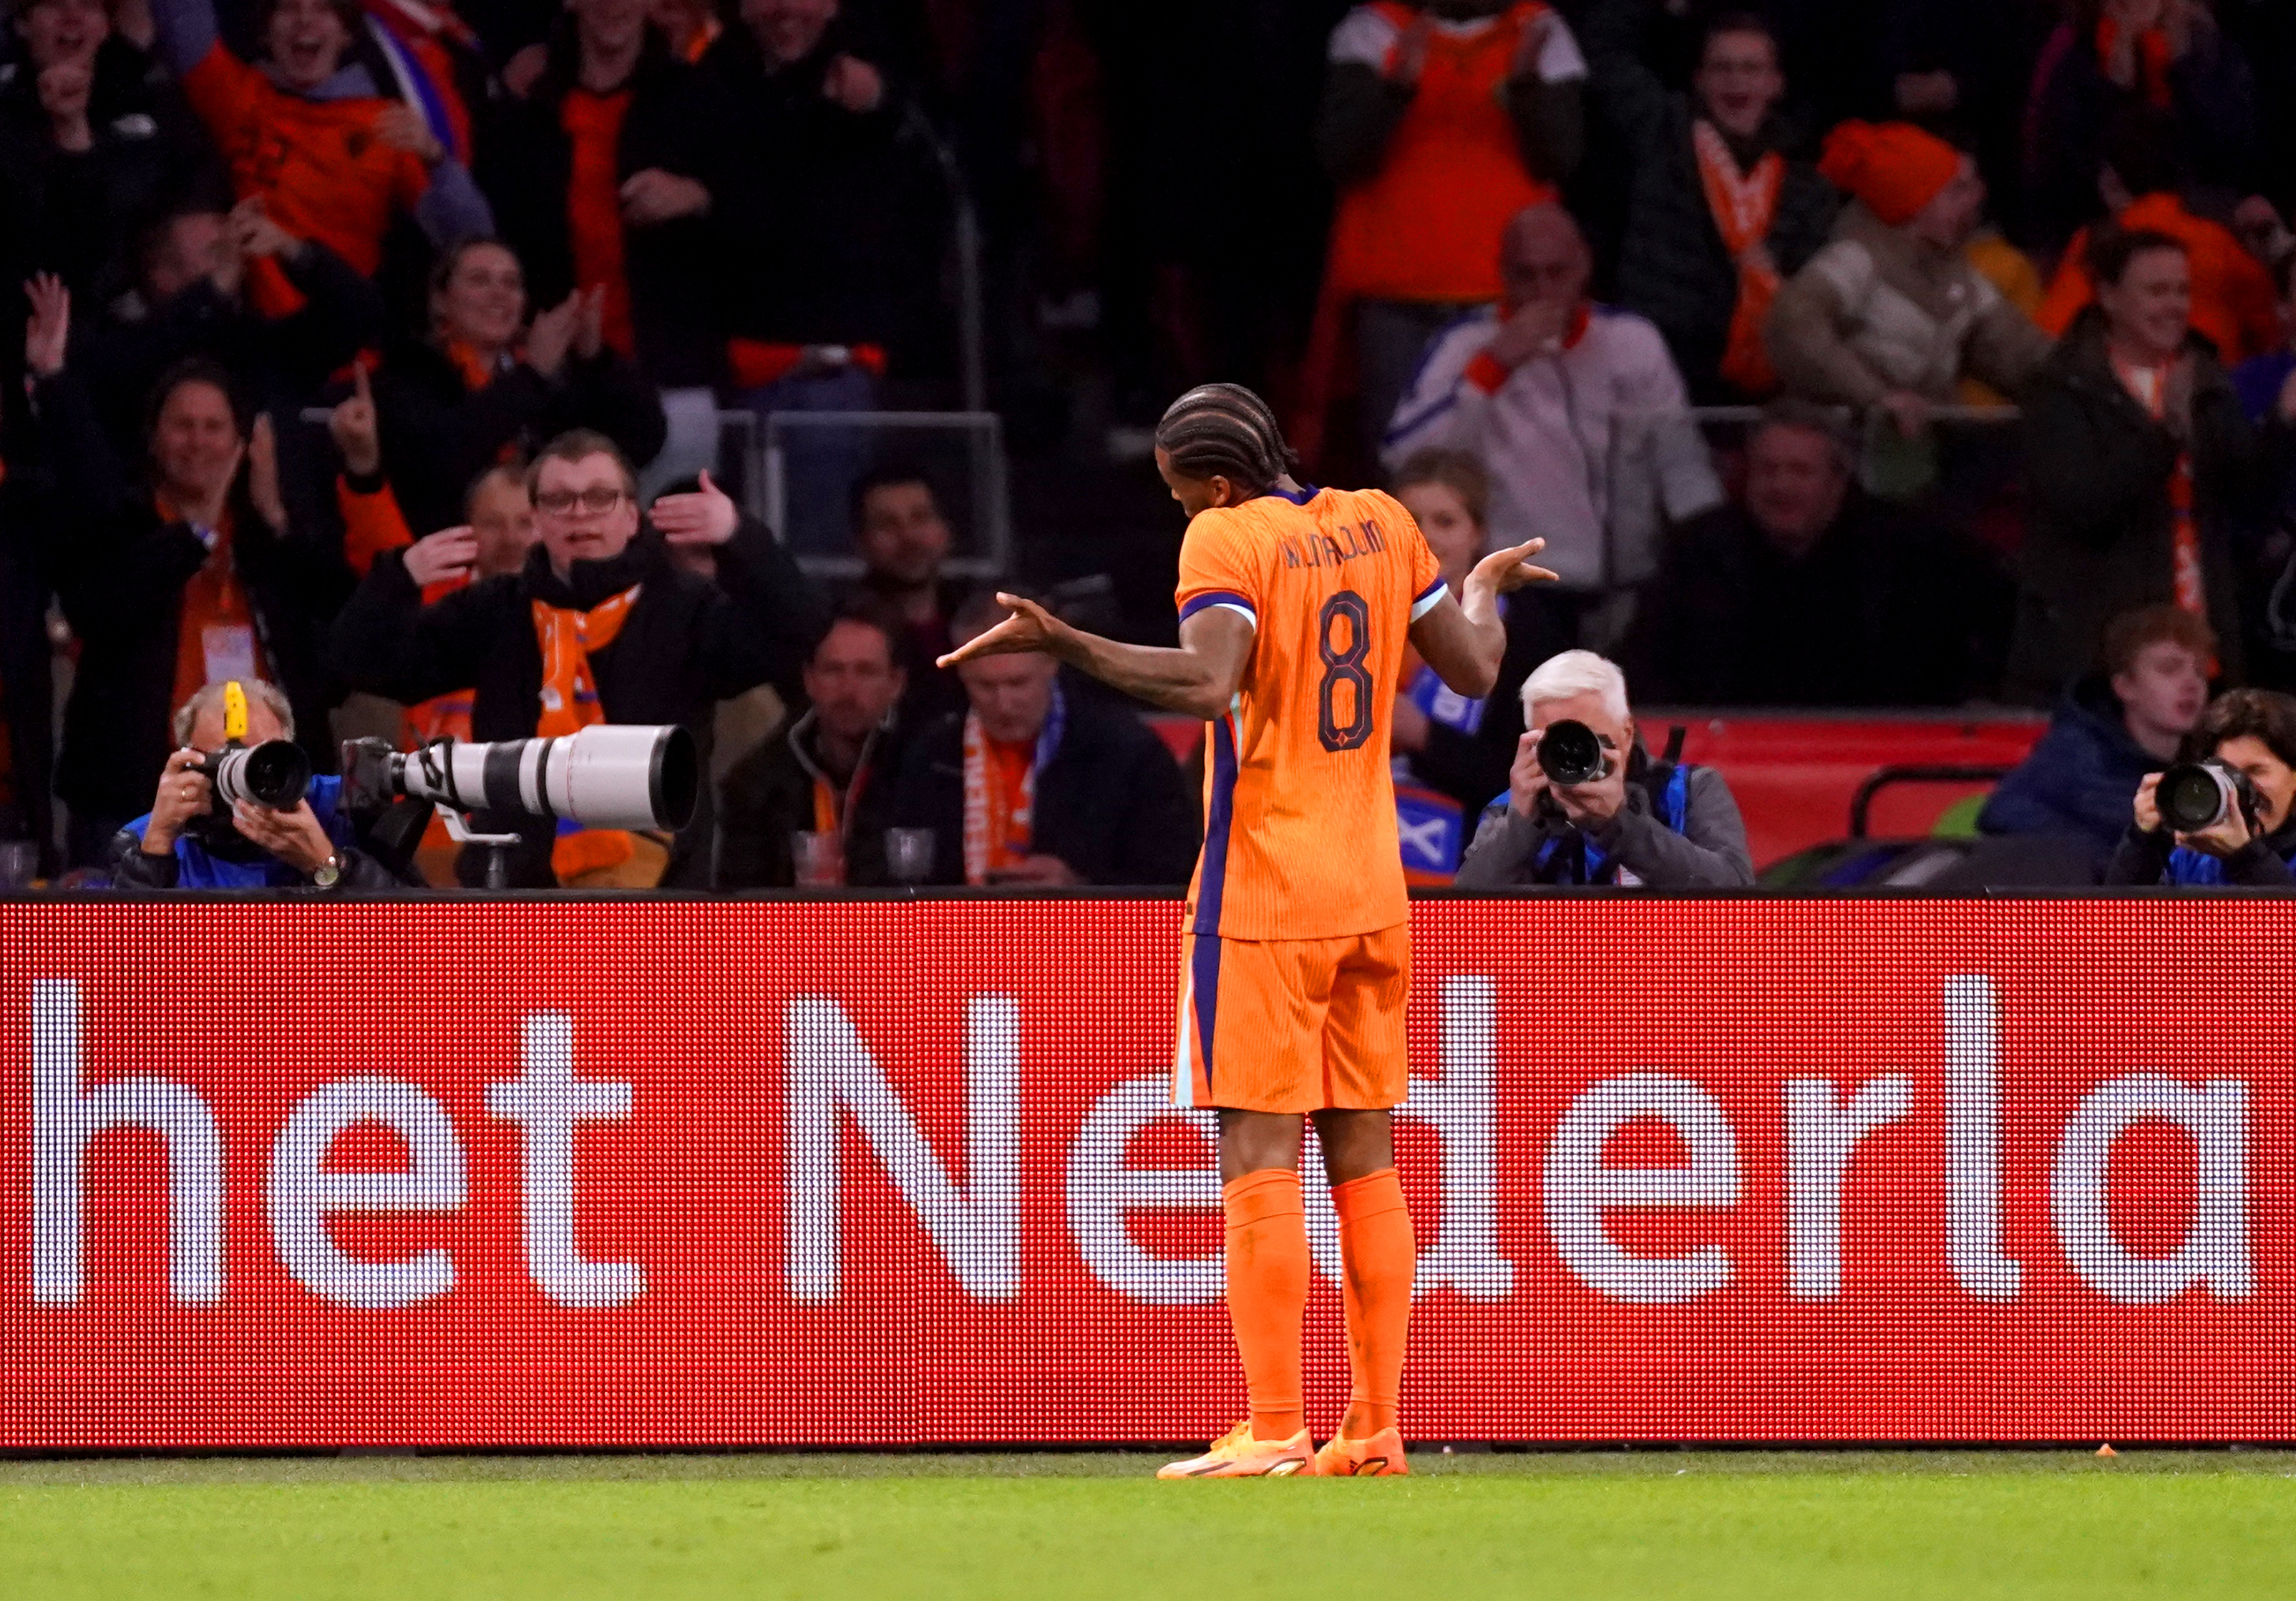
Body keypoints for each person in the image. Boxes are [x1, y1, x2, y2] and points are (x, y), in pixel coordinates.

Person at [939, 382, 1555, 1477]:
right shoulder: (1381, 518)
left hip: (1266, 890)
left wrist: (1065, 642)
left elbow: (1208, 683)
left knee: (1257, 1153)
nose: (1183, 515)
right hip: (1376, 889)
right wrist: (1483, 589)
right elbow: (1474, 670)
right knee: (1365, 1153)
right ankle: (1373, 1423)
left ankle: (1273, 1424)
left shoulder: (1228, 536)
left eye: (1180, 497)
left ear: (1216, 484)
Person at [329, 428, 828, 887]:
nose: (579, 514)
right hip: (516, 892)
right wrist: (399, 577)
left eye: (599, 497)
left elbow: (801, 630)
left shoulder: (688, 609)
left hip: (660, 893)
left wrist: (742, 537)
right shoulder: (498, 609)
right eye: (559, 500)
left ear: (631, 516)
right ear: (538, 521)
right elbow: (365, 662)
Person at [26, 283, 351, 865]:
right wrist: (194, 532)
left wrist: (277, 514)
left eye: (214, 427)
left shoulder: (263, 534)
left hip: (265, 795)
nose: (199, 442)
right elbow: (97, 608)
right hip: (134, 794)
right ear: (153, 437)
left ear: (242, 440)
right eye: (183, 426)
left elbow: (337, 606)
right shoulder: (122, 524)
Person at [1381, 203, 1722, 603]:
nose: (1543, 291)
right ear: (1504, 275)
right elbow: (1403, 458)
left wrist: (1708, 554)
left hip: (1625, 581)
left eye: (1557, 273)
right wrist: (1492, 369)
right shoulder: (1465, 343)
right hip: (1511, 581)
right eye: (1526, 276)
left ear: (1583, 268)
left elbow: (1682, 465)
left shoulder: (1633, 340)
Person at [2010, 227, 2295, 701]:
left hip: (2204, 633)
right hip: (2104, 651)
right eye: (2156, 291)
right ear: (2108, 296)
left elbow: (2249, 499)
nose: (2175, 305)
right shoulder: (2063, 387)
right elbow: (2084, 504)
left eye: (2183, 291)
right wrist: (2168, 434)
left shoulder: (2205, 377)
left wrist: (2282, 426)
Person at [1309, 0, 1588, 458]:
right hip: (1397, 291)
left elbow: (1562, 159)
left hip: (1506, 295)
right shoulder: (1372, 29)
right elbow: (1339, 156)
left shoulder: (1540, 29)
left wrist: (1524, 84)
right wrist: (1396, 89)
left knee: (1517, 456)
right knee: (1402, 461)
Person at [1620, 400, 2013, 705]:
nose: (1780, 486)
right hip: (1730, 755)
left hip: (1871, 755)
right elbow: (1646, 666)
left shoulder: (1911, 551)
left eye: (1799, 471)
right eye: (1768, 470)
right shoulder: (1699, 551)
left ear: (1838, 481)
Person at [148, 0, 493, 316]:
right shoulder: (238, 97)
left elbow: (473, 243)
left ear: (346, 33)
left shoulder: (386, 124)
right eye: (287, 7)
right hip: (256, 348)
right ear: (266, 34)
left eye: (323, 8)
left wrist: (437, 162)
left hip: (348, 344)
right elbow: (180, 17)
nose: (304, 19)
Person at [1575, 2, 1837, 402]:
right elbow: (1604, 52)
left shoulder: (1806, 178)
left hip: (1765, 381)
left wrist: (1779, 285)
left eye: (1752, 69)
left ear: (1775, 84)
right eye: (1722, 68)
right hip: (1664, 373)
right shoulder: (1662, 131)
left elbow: (1819, 294)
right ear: (1699, 79)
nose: (1736, 81)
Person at [477, 0, 731, 390]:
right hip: (557, 377)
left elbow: (764, 214)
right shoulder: (529, 112)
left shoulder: (700, 100)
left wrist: (699, 196)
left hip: (675, 378)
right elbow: (501, 232)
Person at [892, 587, 1197, 889]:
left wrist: (1080, 889)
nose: (1004, 703)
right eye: (985, 686)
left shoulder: (1126, 752)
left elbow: (1174, 881)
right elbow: (898, 875)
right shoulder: (932, 756)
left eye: (1018, 683)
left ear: (1053, 662)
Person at [367, 235, 666, 537]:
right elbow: (440, 461)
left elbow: (640, 441)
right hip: (451, 553)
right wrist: (531, 377)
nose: (499, 293)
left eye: (511, 283)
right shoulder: (407, 373)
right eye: (479, 280)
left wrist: (596, 358)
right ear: (440, 301)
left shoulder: (547, 381)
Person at [1767, 120, 2051, 432]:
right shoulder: (1856, 261)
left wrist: (2087, 378)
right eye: (1955, 191)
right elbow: (1793, 323)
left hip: (1921, 452)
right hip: (1841, 442)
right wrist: (1875, 397)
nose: (1974, 199)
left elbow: (2017, 352)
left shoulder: (1959, 277)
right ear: (1915, 202)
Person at [1385, 447, 1573, 875]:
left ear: (1477, 535)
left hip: (1471, 876)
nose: (1426, 536)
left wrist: (1425, 737)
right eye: (1410, 522)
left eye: (1445, 521)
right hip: (1349, 869)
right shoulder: (1346, 620)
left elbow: (1537, 781)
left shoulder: (1522, 632)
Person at [1453, 648, 1753, 887]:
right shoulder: (1512, 809)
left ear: (1627, 733)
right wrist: (1520, 825)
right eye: (1560, 743)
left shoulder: (1686, 792)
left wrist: (1620, 823)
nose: (1576, 757)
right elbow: (1462, 924)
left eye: (1589, 740)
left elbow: (1735, 895)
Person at [109, 678, 419, 887]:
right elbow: (124, 969)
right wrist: (155, 849)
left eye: (263, 759)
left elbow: (413, 941)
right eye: (224, 761)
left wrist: (326, 862)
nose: (247, 778)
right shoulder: (145, 838)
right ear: (186, 763)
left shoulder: (340, 809)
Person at [2035, 111, 2280, 366]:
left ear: (2111, 179)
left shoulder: (2098, 244)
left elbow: (2054, 333)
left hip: (2127, 394)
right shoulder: (2220, 241)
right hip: (2212, 392)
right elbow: (2270, 330)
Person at [1980, 603, 2213, 867]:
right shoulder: (2077, 754)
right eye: (2169, 669)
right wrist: (2100, 860)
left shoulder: (2216, 759)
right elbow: (2000, 813)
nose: (2191, 684)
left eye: (2200, 671)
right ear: (2125, 686)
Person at [2024, 0, 2260, 255]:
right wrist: (2113, 86)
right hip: (2105, 227)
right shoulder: (2077, 56)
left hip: (2205, 221)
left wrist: (2183, 65)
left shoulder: (2211, 50)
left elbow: (2233, 150)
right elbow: (2062, 167)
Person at [716, 605, 909, 888]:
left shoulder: (926, 768)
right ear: (809, 680)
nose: (848, 689)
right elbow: (739, 900)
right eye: (833, 670)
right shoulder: (756, 781)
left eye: (866, 672)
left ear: (896, 683)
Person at [2105, 686, 2296, 884]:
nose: (2240, 788)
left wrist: (2245, 857)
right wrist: (2142, 842)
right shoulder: (2193, 857)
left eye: (2255, 771)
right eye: (2227, 771)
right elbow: (2117, 914)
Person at [838, 467, 968, 726]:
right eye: (887, 524)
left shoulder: (985, 622)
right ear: (861, 543)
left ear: (946, 532)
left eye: (920, 518)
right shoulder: (841, 635)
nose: (908, 537)